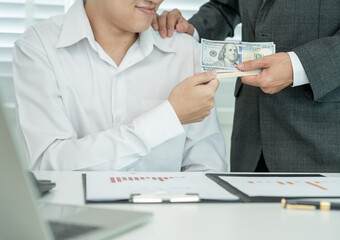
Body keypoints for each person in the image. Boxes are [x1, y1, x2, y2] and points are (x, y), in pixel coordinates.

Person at [12, 0, 227, 171]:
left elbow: (207, 168)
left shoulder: (184, 50)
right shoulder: (39, 46)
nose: (156, 1)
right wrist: (169, 117)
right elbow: (48, 164)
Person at [152, 0, 340, 172]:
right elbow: (228, 5)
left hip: (328, 135)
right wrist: (194, 29)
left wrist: (300, 66)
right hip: (251, 137)